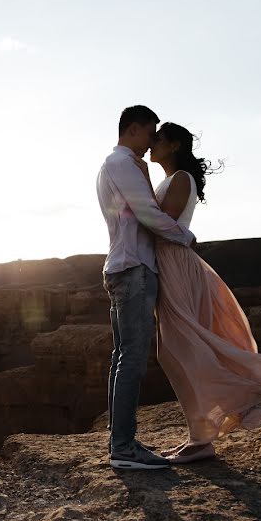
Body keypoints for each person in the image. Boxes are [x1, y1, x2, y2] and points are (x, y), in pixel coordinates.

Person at [149, 121, 261, 464]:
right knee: (172, 351)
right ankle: (199, 437)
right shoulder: (169, 179)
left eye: (158, 139)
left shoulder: (181, 178)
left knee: (180, 349)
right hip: (167, 263)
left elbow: (164, 223)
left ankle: (209, 433)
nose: (152, 144)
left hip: (174, 264)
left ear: (174, 145)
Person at [96, 105, 196, 470]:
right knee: (133, 359)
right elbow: (150, 215)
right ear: (133, 129)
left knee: (122, 356)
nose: (151, 141)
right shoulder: (123, 164)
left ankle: (118, 441)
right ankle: (123, 448)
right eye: (149, 133)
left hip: (123, 265)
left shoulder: (117, 164)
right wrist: (186, 235)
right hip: (134, 268)